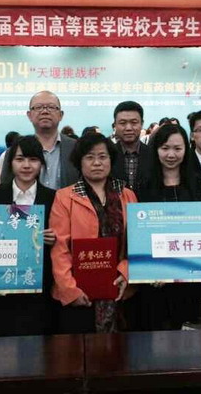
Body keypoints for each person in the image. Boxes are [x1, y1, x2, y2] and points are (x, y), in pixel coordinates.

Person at [49, 133, 135, 334]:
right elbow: (60, 249)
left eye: (102, 156)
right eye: (89, 157)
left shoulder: (127, 195)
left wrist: (126, 273)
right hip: (79, 293)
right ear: (79, 162)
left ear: (111, 160)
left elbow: (136, 243)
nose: (97, 162)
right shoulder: (64, 197)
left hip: (120, 290)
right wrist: (69, 289)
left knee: (122, 350)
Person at [0, 135, 57, 336]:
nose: (26, 165)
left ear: (41, 164)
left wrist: (54, 237)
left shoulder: (53, 197)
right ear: (10, 163)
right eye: (20, 159)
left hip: (39, 283)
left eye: (33, 160)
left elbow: (62, 237)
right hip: (0, 284)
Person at [136, 124, 201, 330]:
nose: (171, 155)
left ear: (186, 149)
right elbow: (140, 233)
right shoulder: (144, 185)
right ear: (156, 149)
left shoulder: (197, 183)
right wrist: (152, 270)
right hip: (155, 278)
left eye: (177, 148)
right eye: (165, 148)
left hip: (193, 275)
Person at [0, 91, 78, 189]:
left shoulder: (76, 148)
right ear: (29, 115)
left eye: (51, 107)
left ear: (61, 115)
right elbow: (5, 187)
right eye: (38, 107)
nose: (45, 111)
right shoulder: (14, 151)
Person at [111, 101, 152, 196]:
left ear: (142, 124)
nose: (128, 128)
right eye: (123, 123)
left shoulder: (154, 154)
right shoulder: (108, 155)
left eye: (134, 122)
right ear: (115, 125)